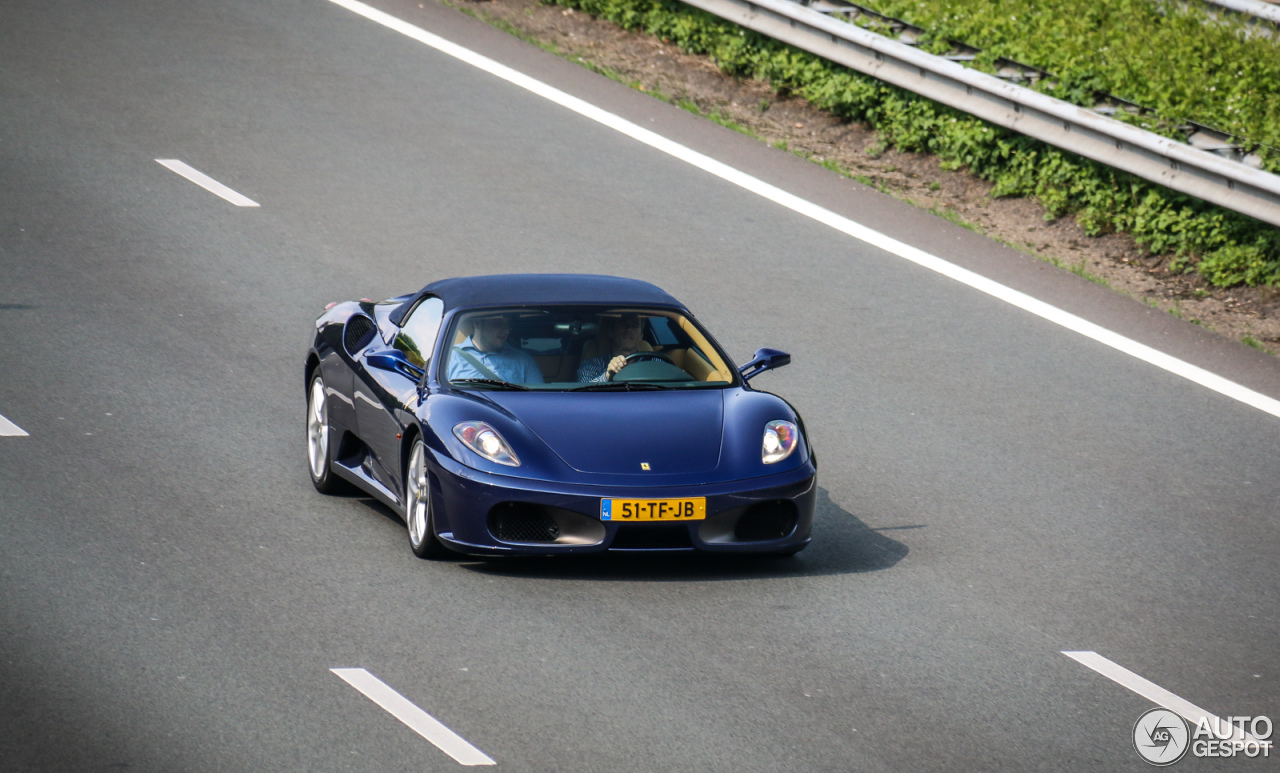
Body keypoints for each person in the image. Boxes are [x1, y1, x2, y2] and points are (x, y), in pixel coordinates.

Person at [447, 314, 545, 384]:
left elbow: (537, 401)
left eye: (508, 323)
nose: (506, 330)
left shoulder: (524, 360)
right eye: (498, 323)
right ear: (477, 323)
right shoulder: (450, 358)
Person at [577, 313, 645, 383]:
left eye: (635, 326)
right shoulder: (593, 364)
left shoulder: (653, 362)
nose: (629, 329)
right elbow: (584, 389)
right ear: (611, 332)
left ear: (641, 336)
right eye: (623, 323)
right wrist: (607, 375)